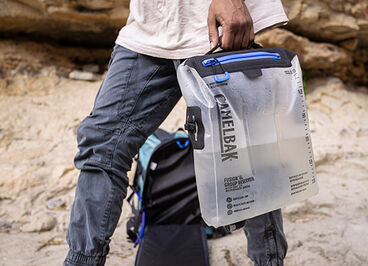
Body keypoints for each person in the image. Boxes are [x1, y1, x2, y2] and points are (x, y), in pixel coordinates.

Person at [63, 0, 289, 265]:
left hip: (213, 25)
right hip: (148, 29)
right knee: (101, 143)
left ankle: (269, 262)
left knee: (244, 151)